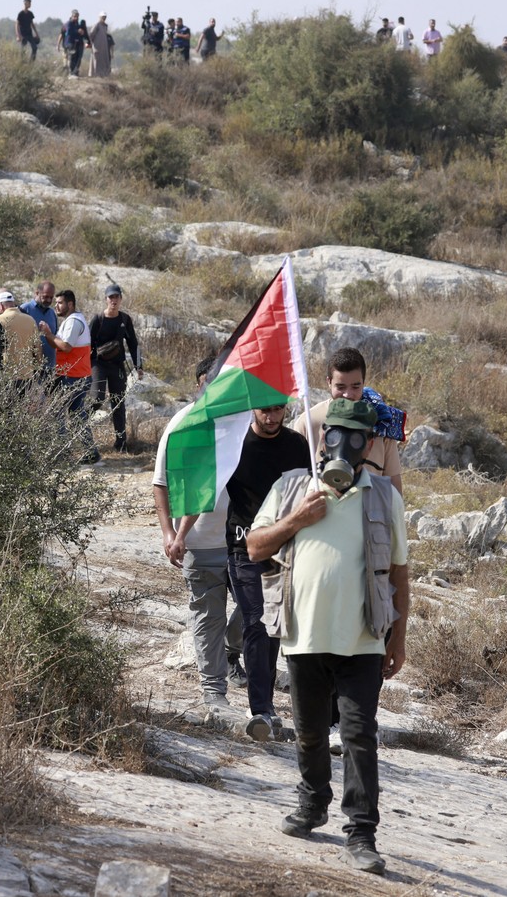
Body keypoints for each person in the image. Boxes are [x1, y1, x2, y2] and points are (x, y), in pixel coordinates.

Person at [247, 398, 409, 876]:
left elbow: (399, 572)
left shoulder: (385, 496)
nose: (344, 442)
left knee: (359, 736)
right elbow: (255, 547)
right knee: (311, 732)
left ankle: (361, 832)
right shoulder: (292, 486)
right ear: (322, 437)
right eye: (335, 432)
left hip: (363, 638)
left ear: (372, 444)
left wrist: (398, 639)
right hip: (303, 635)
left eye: (357, 435)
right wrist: (297, 519)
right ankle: (312, 801)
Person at [153, 353, 246, 709]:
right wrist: (167, 532)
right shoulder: (182, 426)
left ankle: (232, 651)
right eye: (212, 381)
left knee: (261, 607)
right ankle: (214, 692)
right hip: (199, 541)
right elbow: (160, 483)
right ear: (200, 383)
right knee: (208, 615)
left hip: (244, 540)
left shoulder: (243, 423)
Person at [226, 399, 312, 740]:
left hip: (284, 549)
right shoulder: (235, 444)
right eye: (265, 409)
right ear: (252, 408)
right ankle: (259, 709)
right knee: (257, 620)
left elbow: (308, 491)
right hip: (242, 546)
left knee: (274, 626)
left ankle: (269, 707)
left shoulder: (296, 446)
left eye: (278, 409)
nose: (271, 416)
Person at [299, 348, 405, 495]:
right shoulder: (309, 422)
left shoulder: (382, 423)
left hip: (369, 512)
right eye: (340, 387)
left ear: (363, 382)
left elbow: (393, 484)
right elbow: (295, 482)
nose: (348, 394)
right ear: (329, 382)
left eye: (356, 386)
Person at [37, 289, 101, 464]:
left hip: (73, 376)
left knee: (58, 413)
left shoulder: (73, 322)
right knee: (76, 415)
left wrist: (49, 334)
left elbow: (65, 346)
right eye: (56, 302)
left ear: (70, 304)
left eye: (60, 303)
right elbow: (59, 344)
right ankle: (89, 452)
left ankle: (62, 454)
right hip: (73, 374)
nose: (56, 305)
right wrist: (48, 333)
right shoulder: (70, 321)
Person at [88, 284, 143, 453]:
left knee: (118, 403)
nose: (114, 300)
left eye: (116, 297)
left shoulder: (125, 320)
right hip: (99, 365)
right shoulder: (98, 319)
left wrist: (138, 366)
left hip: (117, 366)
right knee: (97, 398)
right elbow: (87, 345)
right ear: (106, 299)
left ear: (120, 299)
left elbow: (133, 344)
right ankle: (80, 426)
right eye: (110, 297)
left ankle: (121, 443)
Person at [0, 289, 41, 388]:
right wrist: (38, 367)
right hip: (27, 375)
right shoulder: (30, 320)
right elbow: (37, 347)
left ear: (0, 306)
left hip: (7, 375)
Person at [20, 281, 59, 382]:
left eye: (51, 297)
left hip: (49, 368)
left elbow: (54, 337)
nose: (49, 300)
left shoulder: (52, 313)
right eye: (46, 297)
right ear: (37, 293)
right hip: (29, 368)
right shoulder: (24, 310)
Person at [59, 11, 88, 77]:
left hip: (77, 44)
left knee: (78, 58)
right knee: (71, 59)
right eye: (74, 16)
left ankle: (75, 72)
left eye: (77, 17)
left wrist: (82, 32)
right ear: (72, 16)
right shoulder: (69, 23)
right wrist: (77, 31)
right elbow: (67, 32)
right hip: (69, 44)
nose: (76, 18)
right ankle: (70, 73)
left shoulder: (77, 24)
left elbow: (83, 35)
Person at [89, 13, 114, 77]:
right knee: (95, 61)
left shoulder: (105, 26)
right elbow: (91, 34)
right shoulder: (97, 25)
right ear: (100, 17)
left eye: (105, 17)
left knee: (104, 61)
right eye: (102, 17)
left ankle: (103, 75)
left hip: (104, 48)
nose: (104, 18)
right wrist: (91, 43)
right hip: (97, 46)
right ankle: (94, 75)